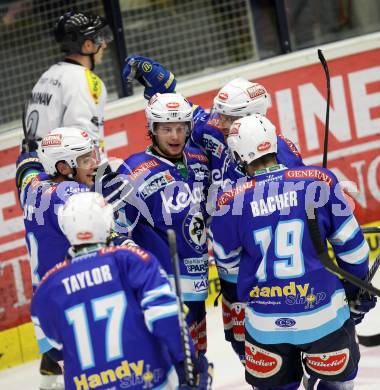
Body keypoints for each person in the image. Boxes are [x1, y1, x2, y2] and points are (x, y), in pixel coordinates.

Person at [210, 115, 377, 389]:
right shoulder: (318, 180)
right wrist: (355, 289)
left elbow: (227, 265)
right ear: (273, 143)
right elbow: (353, 248)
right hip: (324, 316)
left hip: (265, 326)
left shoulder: (230, 199)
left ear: (239, 155)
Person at [30, 191, 212, 390]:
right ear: (107, 222)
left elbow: (55, 342)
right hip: (145, 380)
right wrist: (187, 364)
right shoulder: (131, 260)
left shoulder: (48, 286)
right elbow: (164, 316)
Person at [115, 93, 210, 356]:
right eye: (167, 129)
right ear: (152, 130)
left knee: (197, 359)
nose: (175, 136)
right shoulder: (133, 171)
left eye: (181, 128)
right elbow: (118, 231)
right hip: (162, 288)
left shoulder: (200, 162)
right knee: (172, 362)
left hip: (197, 283)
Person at [17, 127, 100, 389]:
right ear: (63, 167)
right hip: (72, 317)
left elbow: (26, 172)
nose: (94, 164)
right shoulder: (71, 197)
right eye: (86, 160)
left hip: (45, 318)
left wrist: (27, 155)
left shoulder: (32, 188)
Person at [23, 10, 113, 154]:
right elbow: (86, 143)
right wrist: (103, 173)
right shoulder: (85, 81)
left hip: (32, 166)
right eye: (100, 39)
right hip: (59, 171)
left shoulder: (47, 76)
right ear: (88, 45)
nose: (104, 45)